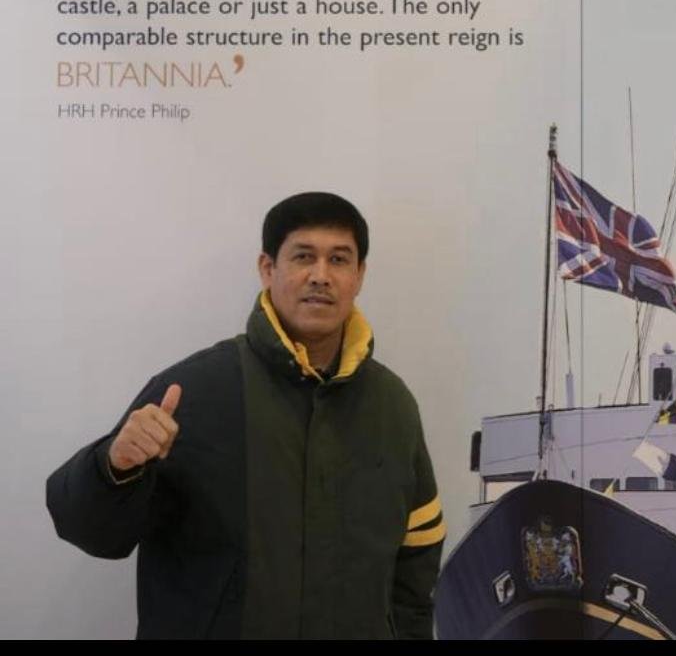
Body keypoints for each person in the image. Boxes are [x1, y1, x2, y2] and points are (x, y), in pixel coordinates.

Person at [46, 192, 445, 639]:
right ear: (267, 269)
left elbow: (418, 557)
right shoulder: (193, 392)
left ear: (360, 275)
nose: (321, 275)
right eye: (303, 256)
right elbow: (92, 532)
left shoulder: (393, 406)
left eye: (338, 259)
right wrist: (113, 468)